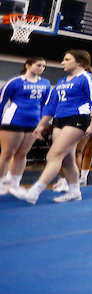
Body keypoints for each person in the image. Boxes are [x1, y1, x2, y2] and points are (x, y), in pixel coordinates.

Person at [11, 50, 92, 204]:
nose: (62, 62)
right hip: (59, 120)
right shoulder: (63, 81)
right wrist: (41, 125)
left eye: (67, 59)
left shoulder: (87, 78)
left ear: (79, 62)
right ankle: (74, 192)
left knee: (53, 155)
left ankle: (34, 191)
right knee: (67, 159)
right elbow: (51, 106)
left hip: (78, 118)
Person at [0, 57, 52, 196]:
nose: (41, 68)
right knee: (7, 154)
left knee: (22, 154)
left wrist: (42, 123)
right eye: (38, 65)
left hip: (33, 122)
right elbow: (1, 101)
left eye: (43, 66)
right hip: (13, 120)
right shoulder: (15, 82)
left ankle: (14, 184)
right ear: (28, 66)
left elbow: (44, 105)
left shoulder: (45, 83)